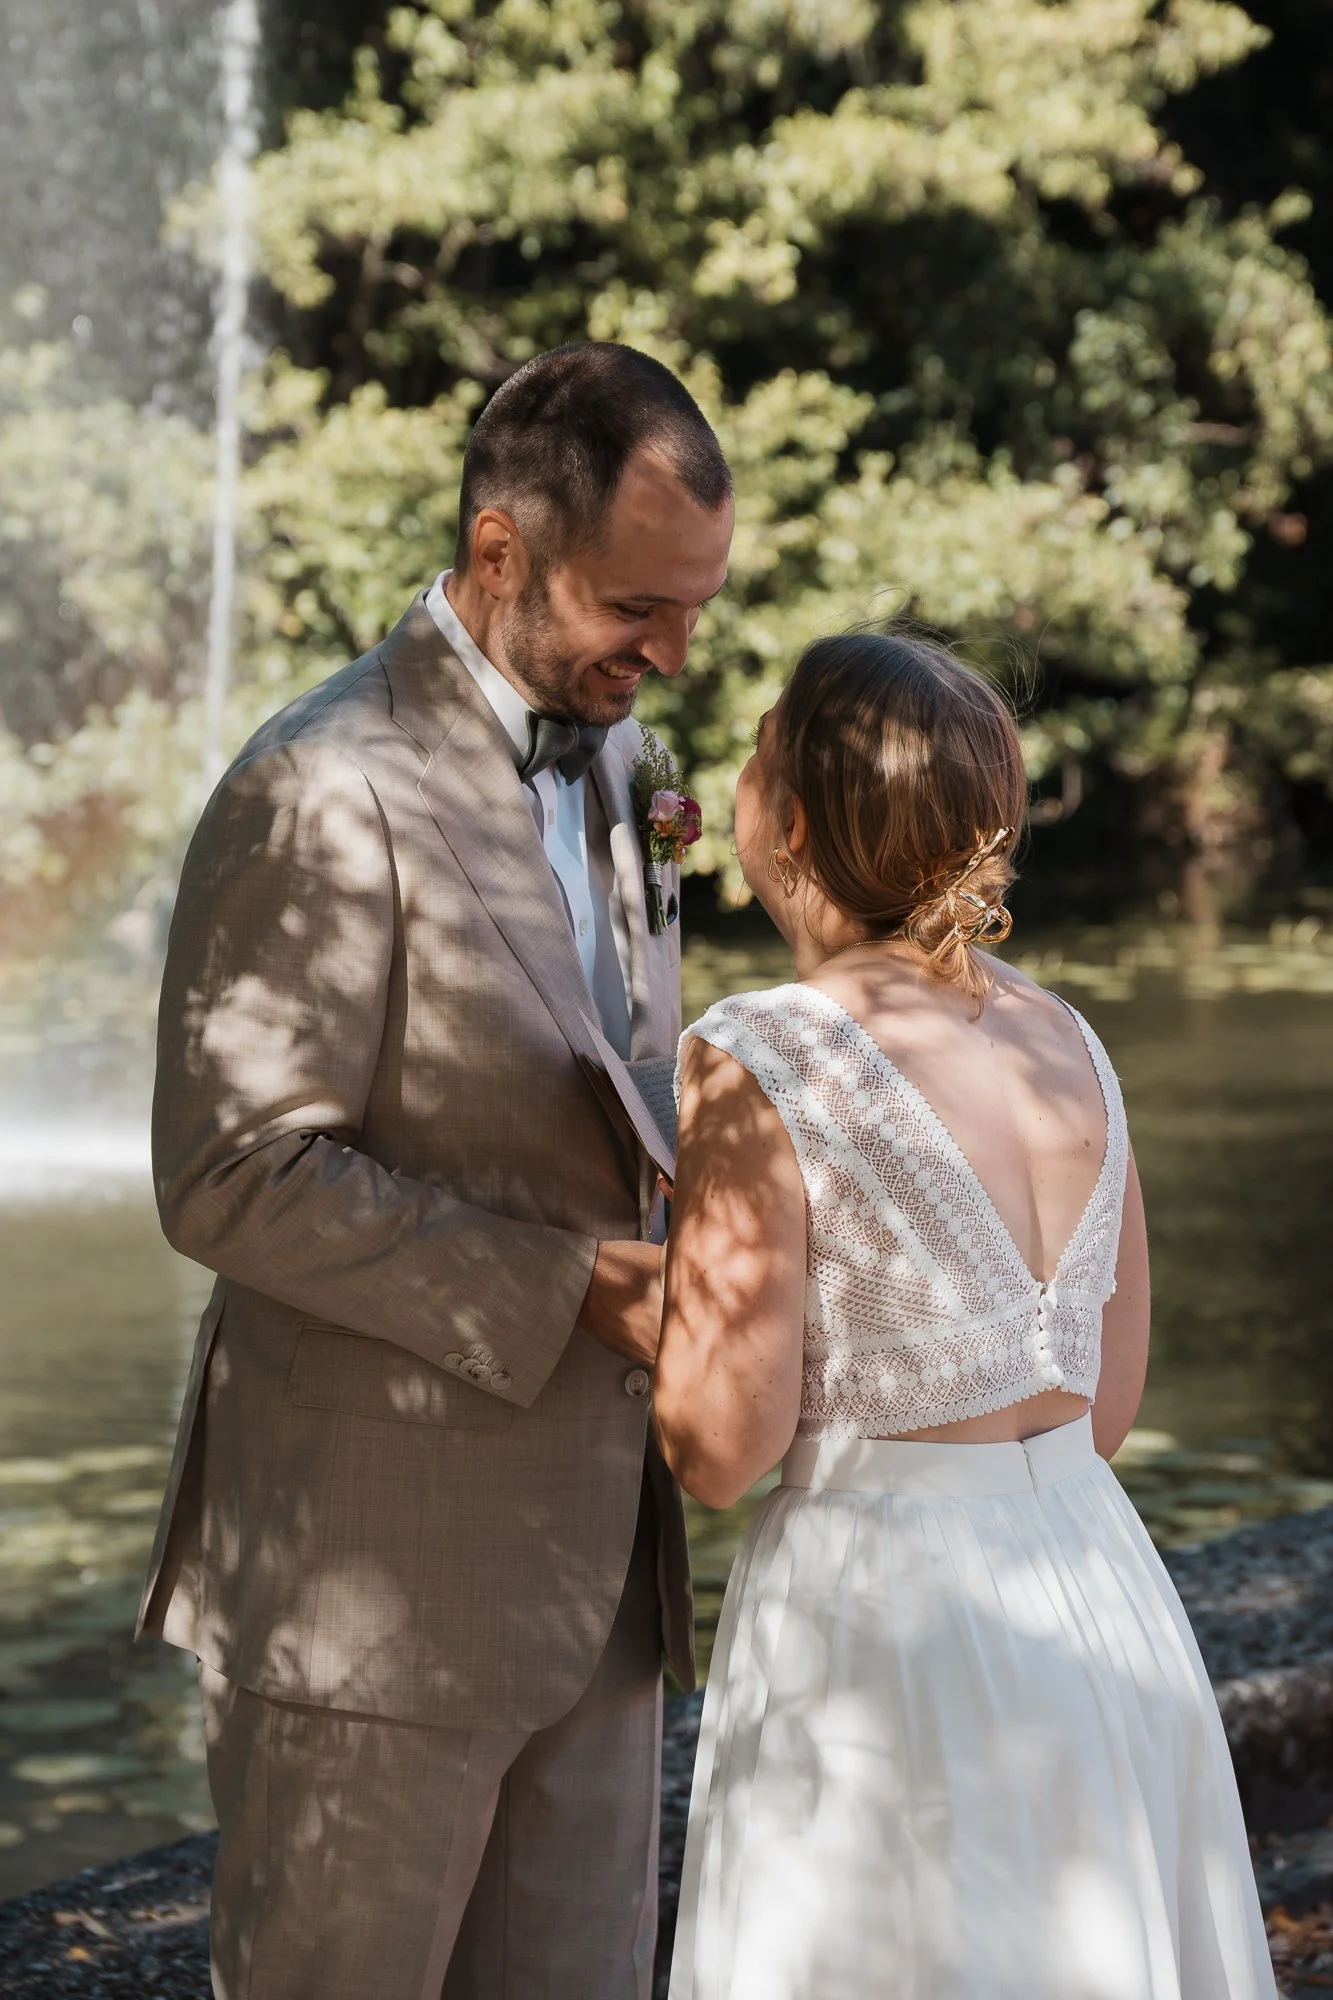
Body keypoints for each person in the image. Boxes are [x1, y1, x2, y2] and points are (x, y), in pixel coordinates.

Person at [138, 341, 734, 2000]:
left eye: (697, 607)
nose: (674, 652)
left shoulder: (620, 763)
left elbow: (600, 1091)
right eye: (640, 606)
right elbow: (232, 1175)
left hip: (601, 1591)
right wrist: (579, 1287)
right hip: (372, 1602)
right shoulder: (316, 789)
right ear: (500, 553)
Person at [654, 630, 1277, 1999]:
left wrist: (620, 1298)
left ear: (794, 820)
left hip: (884, 1626)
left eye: (759, 750)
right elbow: (1104, 1413)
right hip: (1100, 1599)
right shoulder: (1073, 1042)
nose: (741, 778)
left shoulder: (761, 1049)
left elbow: (721, 1447)